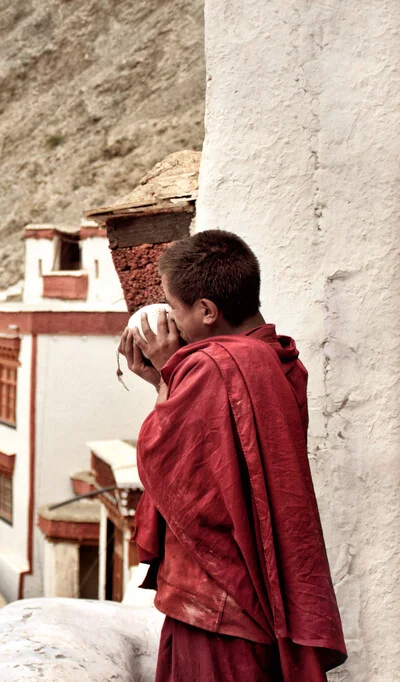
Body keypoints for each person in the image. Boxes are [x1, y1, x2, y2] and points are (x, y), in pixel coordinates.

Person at [118, 230, 346, 681]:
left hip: (218, 602)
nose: (172, 322)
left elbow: (163, 462)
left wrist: (170, 373)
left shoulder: (214, 365)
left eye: (174, 308)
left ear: (206, 310)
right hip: (243, 599)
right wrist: (171, 378)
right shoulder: (277, 358)